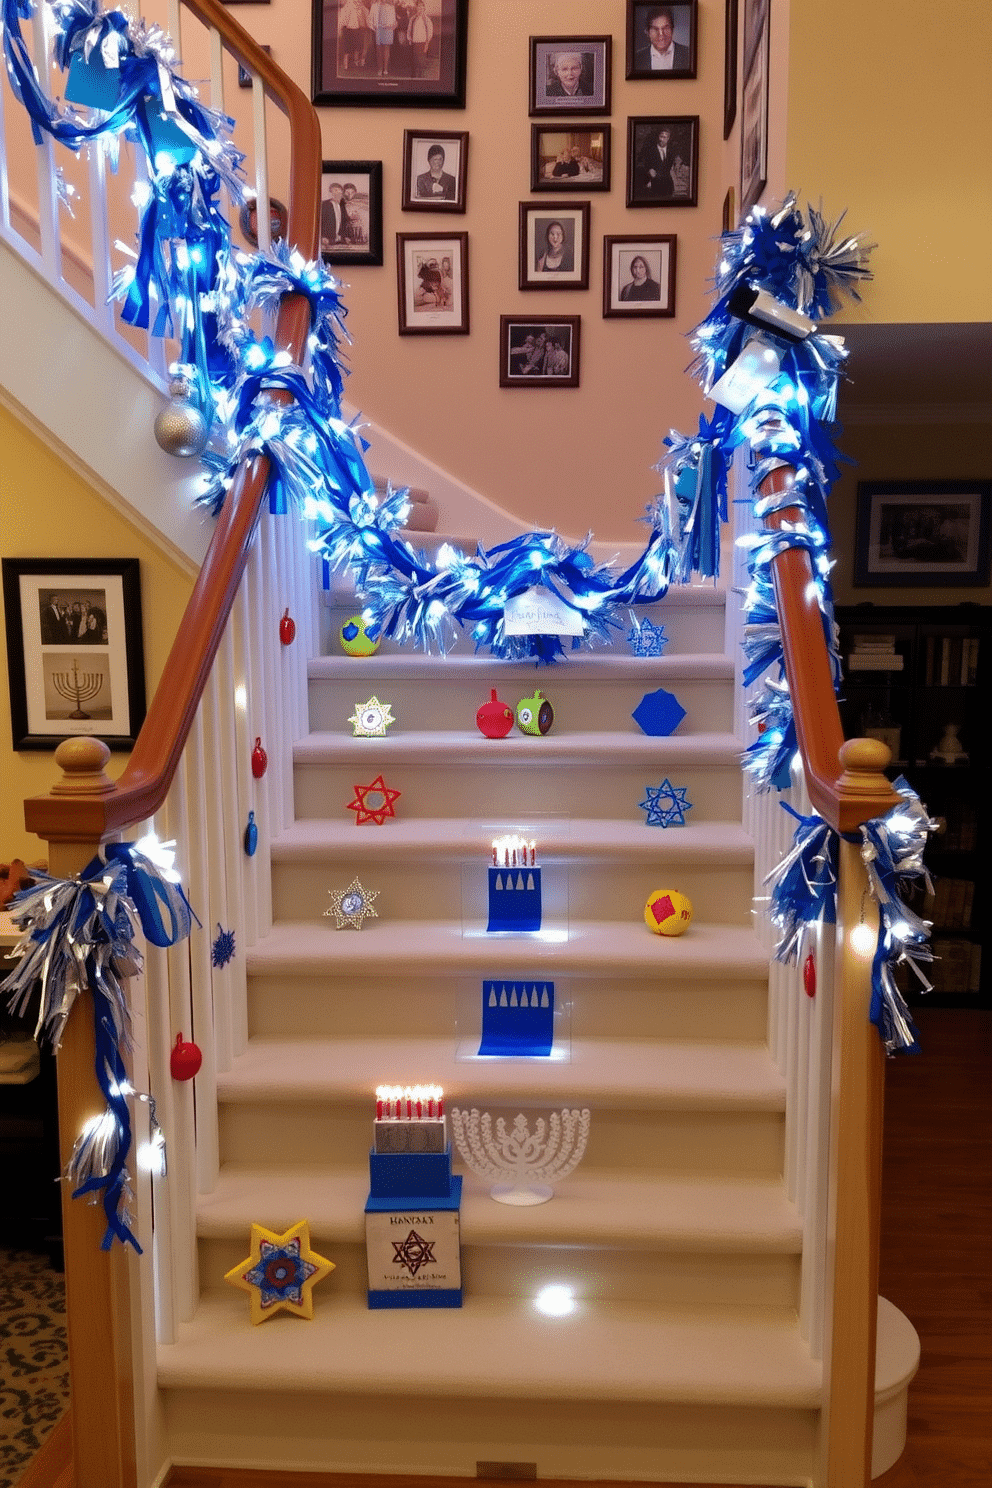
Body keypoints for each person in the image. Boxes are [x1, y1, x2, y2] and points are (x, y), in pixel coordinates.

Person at [634, 124, 685, 198]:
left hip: (668, 186)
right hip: (653, 186)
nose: (661, 139)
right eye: (660, 136)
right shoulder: (649, 150)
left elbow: (676, 163)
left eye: (664, 137)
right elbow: (639, 164)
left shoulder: (671, 150)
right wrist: (648, 171)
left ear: (668, 138)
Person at [634, 6, 691, 71]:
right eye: (655, 29)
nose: (661, 35)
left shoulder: (688, 54)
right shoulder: (637, 59)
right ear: (647, 32)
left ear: (672, 29)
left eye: (666, 28)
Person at [367, 0, 397, 76]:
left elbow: (394, 20)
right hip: (379, 29)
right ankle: (380, 69)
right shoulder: (374, 5)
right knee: (379, 50)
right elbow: (369, 19)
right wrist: (374, 28)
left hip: (388, 29)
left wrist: (393, 26)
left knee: (386, 50)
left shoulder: (391, 6)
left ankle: (385, 69)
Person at [320, 182, 352, 248]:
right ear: (331, 193)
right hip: (327, 241)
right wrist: (322, 237)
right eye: (334, 190)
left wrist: (346, 237)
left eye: (338, 190)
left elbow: (344, 222)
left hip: (339, 241)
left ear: (341, 193)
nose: (336, 193)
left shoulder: (342, 206)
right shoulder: (324, 204)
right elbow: (320, 222)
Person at [407, 0, 434, 76]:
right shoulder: (412, 19)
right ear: (416, 8)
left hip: (422, 43)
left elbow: (429, 33)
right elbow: (409, 30)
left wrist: (426, 44)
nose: (420, 8)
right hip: (414, 43)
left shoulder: (427, 20)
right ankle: (414, 76)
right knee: (414, 61)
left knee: (421, 62)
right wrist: (409, 39)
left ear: (424, 8)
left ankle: (420, 76)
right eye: (418, 6)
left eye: (422, 6)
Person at [338, 0, 365, 72]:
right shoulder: (351, 4)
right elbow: (344, 18)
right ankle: (349, 64)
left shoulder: (353, 4)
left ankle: (349, 64)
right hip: (351, 28)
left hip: (353, 28)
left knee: (351, 47)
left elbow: (344, 19)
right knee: (352, 47)